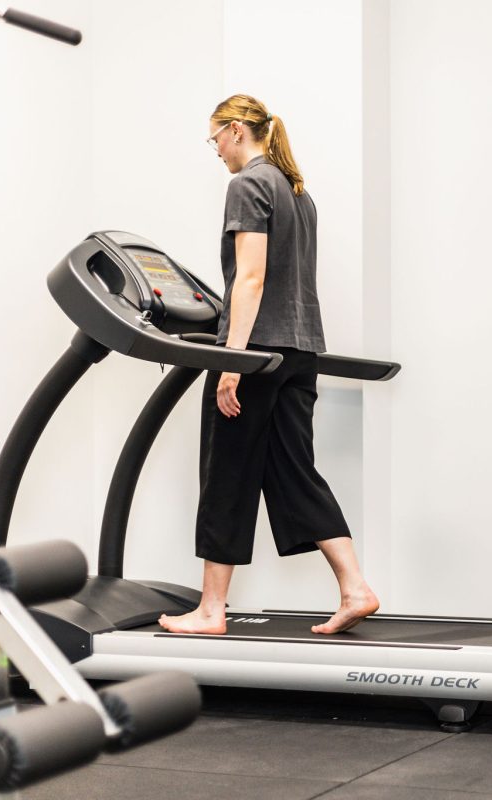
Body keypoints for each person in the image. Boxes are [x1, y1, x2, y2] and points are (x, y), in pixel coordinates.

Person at [159, 94, 378, 636]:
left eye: (214, 139)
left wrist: (231, 362)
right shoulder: (298, 191)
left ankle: (211, 610)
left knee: (227, 472)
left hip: (256, 352)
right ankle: (355, 587)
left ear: (236, 130)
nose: (215, 152)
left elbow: (251, 279)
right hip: (301, 350)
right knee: (291, 470)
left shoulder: (249, 184)